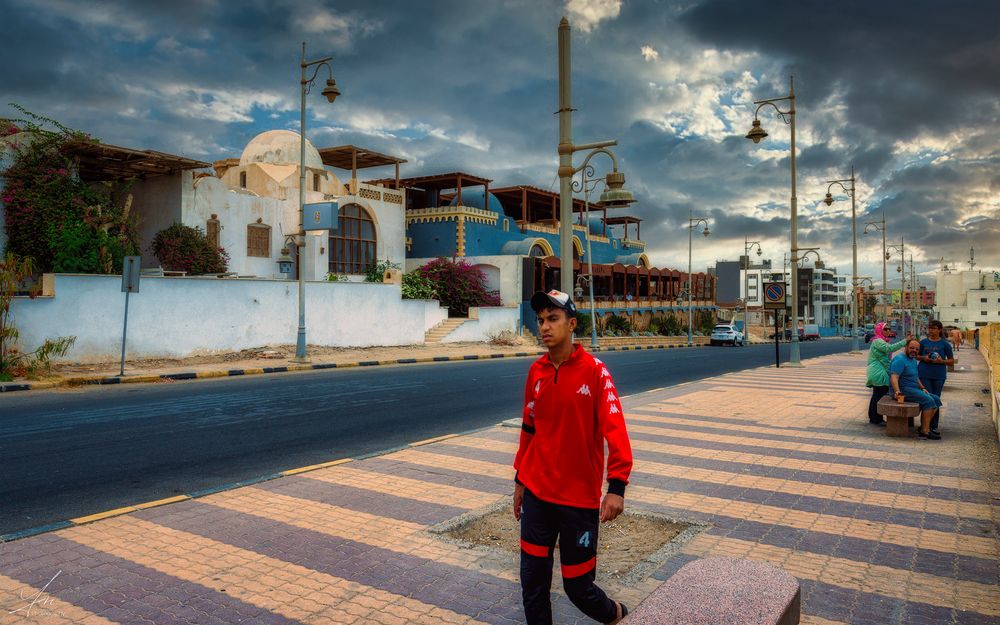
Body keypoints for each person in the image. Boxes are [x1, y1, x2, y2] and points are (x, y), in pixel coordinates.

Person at [514, 289, 633, 625]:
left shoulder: (595, 372)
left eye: (553, 319)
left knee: (578, 587)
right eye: (541, 320)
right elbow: (529, 430)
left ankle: (615, 614)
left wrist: (617, 486)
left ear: (571, 324)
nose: (545, 327)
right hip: (537, 493)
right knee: (532, 581)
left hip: (577, 500)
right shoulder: (536, 371)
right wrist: (520, 481)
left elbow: (615, 430)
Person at [890, 339, 943, 440]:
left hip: (913, 389)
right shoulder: (900, 359)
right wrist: (897, 391)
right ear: (906, 347)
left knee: (936, 399)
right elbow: (894, 377)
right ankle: (925, 431)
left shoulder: (913, 360)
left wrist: (922, 388)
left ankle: (924, 427)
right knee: (929, 400)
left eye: (916, 349)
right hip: (903, 390)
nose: (914, 350)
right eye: (911, 348)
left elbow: (916, 377)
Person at [865, 322, 907, 425]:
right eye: (885, 329)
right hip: (878, 372)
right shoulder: (878, 341)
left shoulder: (882, 341)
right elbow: (889, 349)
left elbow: (886, 358)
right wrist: (905, 341)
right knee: (879, 395)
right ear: (880, 330)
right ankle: (876, 419)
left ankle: (874, 417)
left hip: (880, 371)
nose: (888, 331)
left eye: (889, 329)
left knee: (877, 395)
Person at [917, 319, 954, 434]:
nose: (931, 330)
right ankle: (924, 426)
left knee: (936, 399)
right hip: (924, 374)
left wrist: (941, 361)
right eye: (930, 328)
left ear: (939, 330)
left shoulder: (945, 344)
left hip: (939, 376)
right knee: (927, 398)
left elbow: (951, 361)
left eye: (933, 328)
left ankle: (933, 426)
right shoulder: (923, 343)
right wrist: (925, 358)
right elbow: (916, 356)